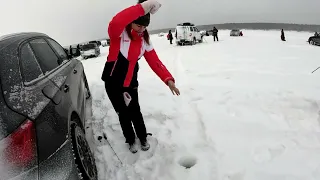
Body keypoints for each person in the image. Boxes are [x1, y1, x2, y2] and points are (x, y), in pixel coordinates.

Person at [101, 0, 180, 153]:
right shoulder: (118, 35)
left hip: (130, 82)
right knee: (123, 114)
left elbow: (155, 62)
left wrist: (168, 79)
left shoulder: (145, 41)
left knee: (135, 111)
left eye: (145, 27)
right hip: (112, 83)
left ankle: (142, 137)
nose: (141, 29)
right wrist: (142, 7)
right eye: (139, 25)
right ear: (131, 22)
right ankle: (130, 139)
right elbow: (116, 21)